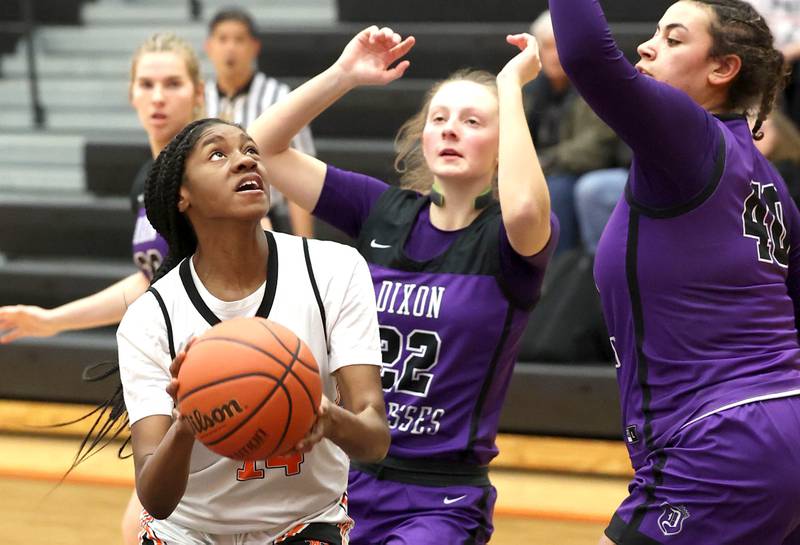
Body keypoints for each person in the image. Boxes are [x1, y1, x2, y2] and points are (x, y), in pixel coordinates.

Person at [248, 26, 557, 544]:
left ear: (505, 144)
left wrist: (511, 84)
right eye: (439, 119)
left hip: (440, 498)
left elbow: (525, 204)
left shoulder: (510, 238)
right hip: (340, 478)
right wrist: (342, 76)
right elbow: (262, 147)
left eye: (473, 121)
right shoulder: (382, 211)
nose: (451, 129)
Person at [549, 0, 800, 543]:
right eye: (655, 32)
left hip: (725, 437)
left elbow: (589, 56)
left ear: (722, 69)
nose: (647, 45)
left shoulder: (690, 139)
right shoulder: (768, 183)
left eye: (674, 37)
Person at [117, 118, 389, 543]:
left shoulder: (334, 269)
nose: (245, 160)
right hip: (190, 530)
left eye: (250, 151)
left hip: (304, 522)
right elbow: (154, 497)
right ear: (182, 195)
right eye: (218, 153)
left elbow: (375, 440)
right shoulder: (152, 316)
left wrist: (327, 417)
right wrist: (188, 422)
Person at [0, 32, 204, 545]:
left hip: (217, 365)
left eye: (173, 84)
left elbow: (260, 256)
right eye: (147, 84)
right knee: (146, 523)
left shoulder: (211, 165)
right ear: (131, 94)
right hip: (168, 367)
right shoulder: (146, 179)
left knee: (147, 522)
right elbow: (146, 279)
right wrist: (50, 320)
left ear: (198, 93)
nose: (159, 96)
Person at [204, 6, 315, 237]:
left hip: (264, 217)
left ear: (255, 47)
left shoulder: (280, 97)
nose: (230, 48)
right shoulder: (198, 98)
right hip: (210, 221)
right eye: (222, 39)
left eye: (239, 39)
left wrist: (305, 245)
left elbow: (303, 172)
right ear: (209, 46)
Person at [524, 10, 622, 255]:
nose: (556, 55)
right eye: (548, 47)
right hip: (553, 170)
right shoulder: (530, 91)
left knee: (560, 188)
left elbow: (596, 149)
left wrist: (543, 162)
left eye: (562, 46)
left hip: (598, 169)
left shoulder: (598, 86)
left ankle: (563, 272)